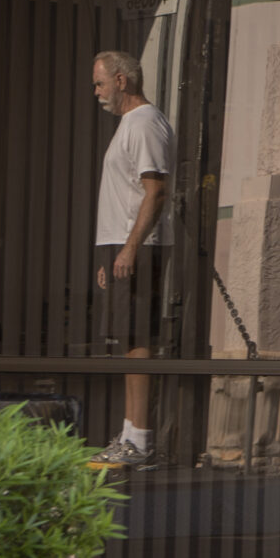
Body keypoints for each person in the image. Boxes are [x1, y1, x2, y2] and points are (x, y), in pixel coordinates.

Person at [91, 49, 174, 468]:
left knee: (139, 341)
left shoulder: (144, 124)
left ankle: (139, 440)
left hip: (139, 246)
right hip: (122, 245)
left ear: (121, 80)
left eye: (100, 83)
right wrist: (113, 252)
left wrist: (129, 248)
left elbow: (154, 191)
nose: (97, 92)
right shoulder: (130, 124)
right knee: (128, 342)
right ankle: (129, 434)